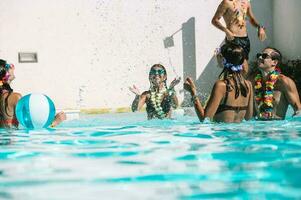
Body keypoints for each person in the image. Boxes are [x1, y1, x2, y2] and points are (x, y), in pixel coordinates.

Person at [184, 43, 253, 123]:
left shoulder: (221, 86)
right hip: (240, 134)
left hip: (222, 134)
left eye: (218, 54)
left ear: (222, 59)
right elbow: (248, 117)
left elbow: (205, 119)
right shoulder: (248, 85)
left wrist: (193, 92)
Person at [0, 59, 66, 128]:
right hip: (11, 138)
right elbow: (32, 128)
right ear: (4, 76)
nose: (11, 66)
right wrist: (55, 122)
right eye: (7, 66)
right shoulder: (15, 98)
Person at [212, 0, 266, 75]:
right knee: (233, 68)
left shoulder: (246, 2)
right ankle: (229, 84)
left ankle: (239, 84)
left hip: (245, 39)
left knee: (244, 69)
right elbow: (214, 20)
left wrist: (260, 27)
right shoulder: (226, 2)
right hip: (233, 39)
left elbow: (252, 19)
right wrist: (227, 32)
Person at [250, 47, 301, 120]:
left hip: (277, 129)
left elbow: (299, 111)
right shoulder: (254, 82)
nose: (260, 57)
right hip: (259, 129)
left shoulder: (284, 82)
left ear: (274, 62)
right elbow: (252, 114)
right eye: (259, 55)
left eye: (264, 56)